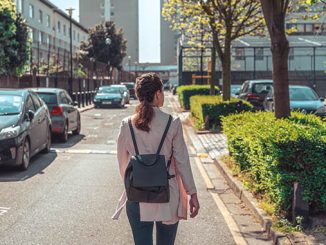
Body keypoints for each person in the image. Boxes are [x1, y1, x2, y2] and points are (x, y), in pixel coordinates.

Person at [112, 73, 200, 245]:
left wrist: (135, 182)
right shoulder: (172, 122)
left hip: (137, 196)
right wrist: (192, 193)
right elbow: (182, 161)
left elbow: (123, 165)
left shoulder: (126, 124)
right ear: (158, 94)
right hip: (167, 196)